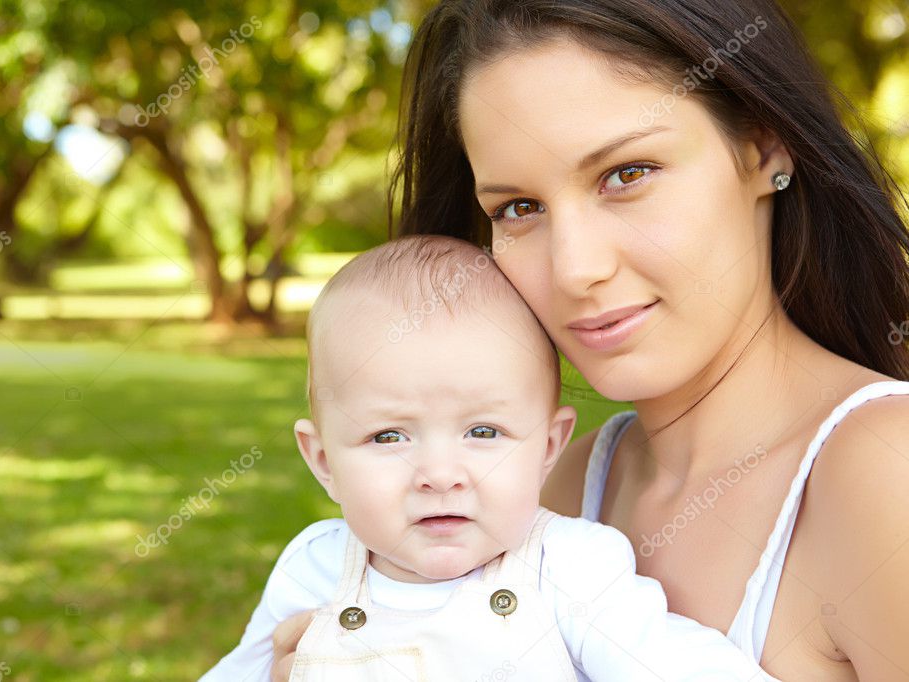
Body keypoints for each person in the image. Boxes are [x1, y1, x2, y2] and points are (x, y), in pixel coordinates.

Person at [269, 1, 909, 680]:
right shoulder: (551, 488)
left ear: (761, 147)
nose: (575, 268)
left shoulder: (880, 472)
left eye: (627, 174)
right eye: (518, 209)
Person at [200, 235, 778, 681]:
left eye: (483, 431)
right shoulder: (315, 571)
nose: (441, 476)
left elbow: (677, 667)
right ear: (323, 461)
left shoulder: (569, 567)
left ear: (548, 447)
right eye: (388, 438)